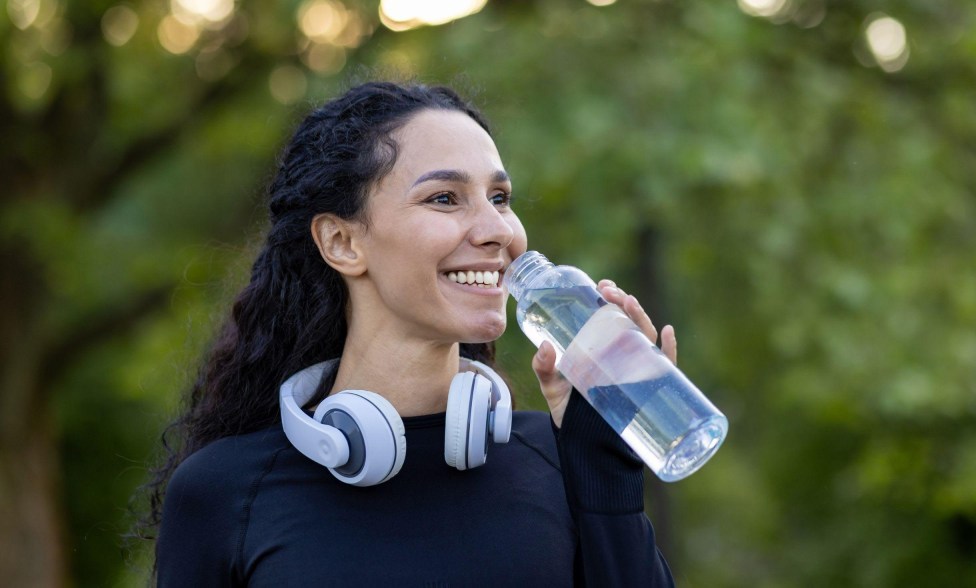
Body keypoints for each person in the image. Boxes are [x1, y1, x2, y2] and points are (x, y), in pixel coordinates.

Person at [150, 81, 677, 586]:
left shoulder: (562, 456)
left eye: (499, 197)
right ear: (341, 242)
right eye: (445, 198)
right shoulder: (222, 493)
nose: (498, 230)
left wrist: (605, 469)